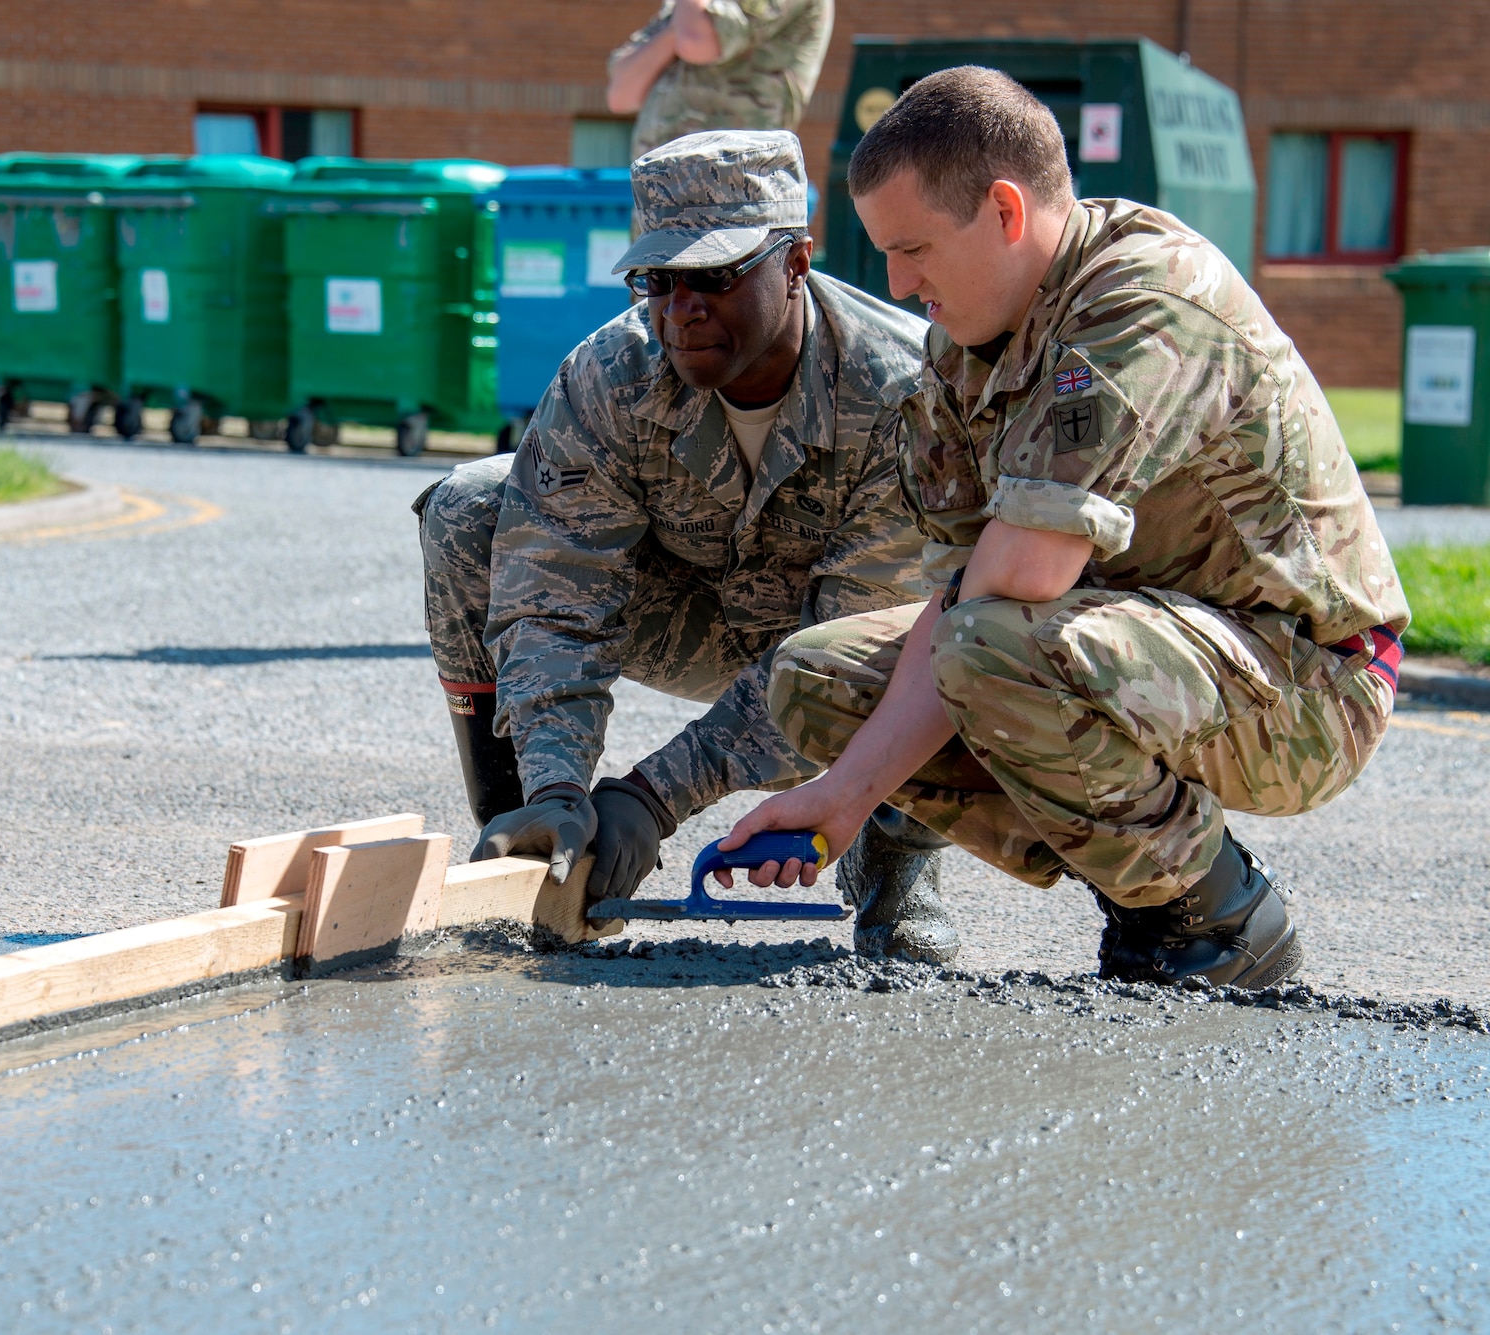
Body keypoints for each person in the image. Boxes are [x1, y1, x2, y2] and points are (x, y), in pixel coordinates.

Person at [717, 68, 1409, 988]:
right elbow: (963, 587)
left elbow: (1019, 578)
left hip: (1310, 680)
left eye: (914, 247)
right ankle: (1133, 865)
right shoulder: (965, 344)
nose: (896, 280)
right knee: (817, 680)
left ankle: (1216, 915)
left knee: (988, 646)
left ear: (1005, 210)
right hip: (1136, 647)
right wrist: (840, 798)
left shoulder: (1143, 297)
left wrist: (860, 785)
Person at [417, 129, 961, 963]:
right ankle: (533, 847)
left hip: (839, 645)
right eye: (659, 281)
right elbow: (553, 597)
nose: (680, 308)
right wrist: (563, 784)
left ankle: (895, 863)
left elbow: (865, 647)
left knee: (959, 628)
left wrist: (652, 796)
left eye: (714, 277)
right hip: (692, 618)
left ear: (795, 262)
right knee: (470, 510)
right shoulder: (609, 376)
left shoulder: (902, 393)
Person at [606, 0, 834, 159]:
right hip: (660, 200)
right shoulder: (689, 8)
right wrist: (675, 33)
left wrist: (681, 31)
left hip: (732, 194)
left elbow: (697, 40)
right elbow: (622, 93)